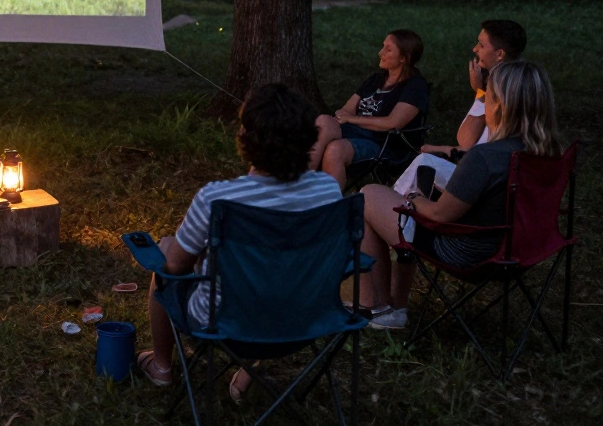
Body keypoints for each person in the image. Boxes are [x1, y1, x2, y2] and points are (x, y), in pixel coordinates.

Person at [136, 84, 343, 400]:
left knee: (165, 253)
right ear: (308, 139)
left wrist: (170, 250)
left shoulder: (218, 198)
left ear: (246, 137)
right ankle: (248, 370)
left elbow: (176, 266)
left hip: (227, 324)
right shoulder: (328, 191)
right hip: (306, 319)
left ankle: (162, 366)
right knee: (277, 271)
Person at [356, 61, 562, 330]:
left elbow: (440, 215)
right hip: (520, 250)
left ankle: (381, 308)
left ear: (500, 105)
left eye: (488, 96)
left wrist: (415, 198)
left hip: (467, 253)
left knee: (368, 195)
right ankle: (389, 304)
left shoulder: (485, 158)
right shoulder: (549, 155)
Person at [391, 20, 527, 197]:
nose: (474, 49)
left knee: (424, 163)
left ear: (500, 54)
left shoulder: (503, 91)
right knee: (425, 160)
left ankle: (397, 213)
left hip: (486, 183)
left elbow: (468, 142)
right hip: (488, 172)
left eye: (481, 44)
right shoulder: (520, 85)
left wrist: (481, 93)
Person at [311, 30, 429, 188]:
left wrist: (352, 119)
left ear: (404, 58)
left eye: (388, 49)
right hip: (356, 132)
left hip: (384, 144)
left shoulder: (415, 86)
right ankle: (302, 185)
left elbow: (393, 123)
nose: (380, 53)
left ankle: (323, 201)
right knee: (322, 123)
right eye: (383, 47)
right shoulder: (375, 79)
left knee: (335, 149)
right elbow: (346, 110)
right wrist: (348, 118)